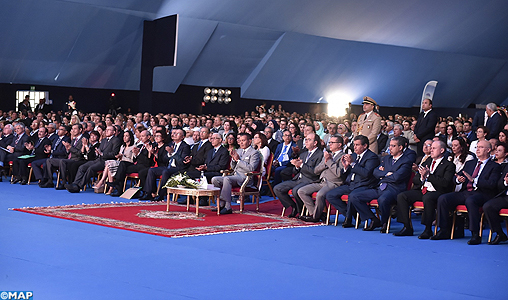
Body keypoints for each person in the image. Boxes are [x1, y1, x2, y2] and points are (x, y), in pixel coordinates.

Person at [432, 140, 501, 244]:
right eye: (477, 147)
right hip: (466, 192)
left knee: (471, 201)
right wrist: (458, 179)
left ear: (488, 150)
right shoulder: (470, 163)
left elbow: (492, 184)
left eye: (481, 147)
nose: (477, 149)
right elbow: (457, 176)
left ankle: (475, 234)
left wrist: (474, 180)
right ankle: (444, 230)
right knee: (443, 198)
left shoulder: (494, 166)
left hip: (483, 194)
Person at [348, 136, 414, 232]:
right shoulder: (386, 158)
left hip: (394, 189)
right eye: (390, 145)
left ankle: (384, 222)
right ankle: (373, 219)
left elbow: (397, 177)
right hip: (380, 187)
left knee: (383, 199)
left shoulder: (406, 161)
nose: (390, 148)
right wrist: (387, 173)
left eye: (393, 146)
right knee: (354, 196)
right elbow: (375, 172)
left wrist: (383, 175)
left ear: (400, 148)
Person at [393, 140, 455, 238]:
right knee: (402, 196)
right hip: (423, 189)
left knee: (428, 197)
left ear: (442, 150)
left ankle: (428, 229)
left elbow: (445, 183)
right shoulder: (428, 161)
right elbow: (415, 179)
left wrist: (428, 176)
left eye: (434, 148)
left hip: (438, 191)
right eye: (431, 148)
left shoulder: (449, 165)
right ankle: (407, 226)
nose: (431, 150)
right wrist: (422, 177)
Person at [325, 135, 380, 227]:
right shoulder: (353, 155)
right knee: (330, 195)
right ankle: (350, 215)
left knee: (353, 196)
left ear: (365, 146)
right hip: (351, 184)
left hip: (364, 185)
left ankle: (367, 218)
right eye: (354, 144)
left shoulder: (372, 157)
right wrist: (346, 168)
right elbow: (346, 173)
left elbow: (366, 174)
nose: (354, 147)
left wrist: (353, 164)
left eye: (357, 145)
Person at [272, 133, 323, 218]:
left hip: (310, 180)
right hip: (298, 179)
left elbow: (315, 173)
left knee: (296, 190)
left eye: (309, 140)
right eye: (305, 139)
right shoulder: (303, 154)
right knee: (277, 188)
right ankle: (293, 206)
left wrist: (301, 165)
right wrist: (296, 166)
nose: (306, 142)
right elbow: (295, 171)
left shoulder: (320, 155)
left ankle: (302, 211)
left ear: (315, 143)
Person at [298, 135, 344, 222]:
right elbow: (316, 170)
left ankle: (315, 217)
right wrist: (326, 161)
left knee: (320, 195)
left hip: (334, 183)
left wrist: (329, 161)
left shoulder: (343, 156)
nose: (329, 144)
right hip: (322, 181)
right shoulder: (327, 154)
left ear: (339, 145)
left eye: (332, 142)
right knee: (301, 191)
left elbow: (338, 173)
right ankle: (314, 214)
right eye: (329, 142)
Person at [212, 133, 261, 214]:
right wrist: (234, 160)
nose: (241, 143)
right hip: (235, 175)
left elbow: (251, 168)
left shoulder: (254, 153)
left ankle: (227, 207)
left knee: (227, 179)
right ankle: (220, 204)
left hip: (245, 177)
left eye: (243, 140)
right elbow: (233, 167)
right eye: (240, 141)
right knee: (215, 179)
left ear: (249, 141)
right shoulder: (238, 150)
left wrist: (238, 160)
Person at [65, 126, 122, 193]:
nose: (106, 131)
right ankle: (75, 184)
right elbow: (100, 151)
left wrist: (102, 154)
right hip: (98, 159)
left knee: (91, 168)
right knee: (82, 167)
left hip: (107, 161)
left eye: (109, 130)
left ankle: (79, 186)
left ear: (114, 132)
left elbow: (114, 154)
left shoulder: (116, 140)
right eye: (106, 129)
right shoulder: (103, 140)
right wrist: (97, 153)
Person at [140, 129, 191, 201]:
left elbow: (182, 162)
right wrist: (168, 154)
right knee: (151, 170)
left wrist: (172, 153)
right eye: (174, 133)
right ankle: (149, 193)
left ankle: (160, 195)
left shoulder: (185, 146)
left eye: (178, 134)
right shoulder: (171, 144)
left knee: (165, 171)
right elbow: (164, 159)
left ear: (183, 137)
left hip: (178, 168)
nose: (175, 134)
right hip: (168, 166)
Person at [40, 124, 84, 188]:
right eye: (72, 129)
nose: (73, 130)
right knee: (49, 161)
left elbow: (80, 153)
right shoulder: (74, 139)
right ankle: (50, 181)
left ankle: (63, 182)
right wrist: (67, 149)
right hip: (68, 158)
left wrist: (69, 147)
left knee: (62, 161)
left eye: (75, 129)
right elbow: (67, 152)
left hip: (76, 159)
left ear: (80, 130)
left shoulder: (83, 139)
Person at [483, 163, 508, 244]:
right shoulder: (507, 166)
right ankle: (499, 233)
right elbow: (499, 184)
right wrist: (506, 183)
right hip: (506, 197)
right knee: (488, 206)